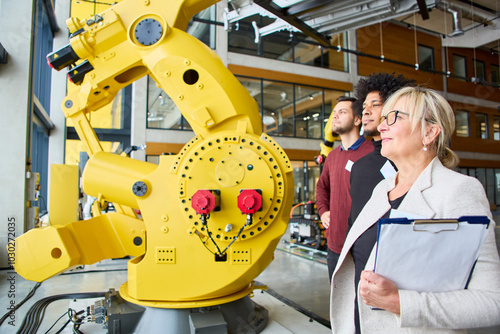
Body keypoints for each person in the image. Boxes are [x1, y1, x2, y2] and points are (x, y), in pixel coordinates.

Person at [330, 86, 500, 333]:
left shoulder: (458, 190)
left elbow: (492, 300)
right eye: (383, 118)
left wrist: (402, 303)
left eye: (394, 117)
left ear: (430, 132)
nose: (381, 127)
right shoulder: (383, 189)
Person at [316, 96, 373, 282]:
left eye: (342, 112)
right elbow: (322, 187)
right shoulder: (332, 157)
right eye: (334, 113)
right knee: (338, 301)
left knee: (362, 303)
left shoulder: (373, 153)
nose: (335, 116)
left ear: (357, 120)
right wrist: (323, 211)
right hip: (335, 245)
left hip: (364, 246)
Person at [349, 73, 416, 227]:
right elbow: (353, 219)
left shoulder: (407, 165)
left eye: (375, 105)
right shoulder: (359, 167)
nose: (366, 111)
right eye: (364, 106)